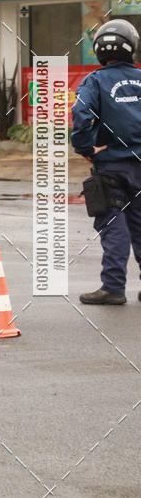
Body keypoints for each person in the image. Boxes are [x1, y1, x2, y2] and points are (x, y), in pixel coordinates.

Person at [71, 18, 141, 304]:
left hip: (111, 165)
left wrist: (85, 147)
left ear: (99, 49)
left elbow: (80, 115)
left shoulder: (95, 81)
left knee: (114, 225)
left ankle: (113, 287)